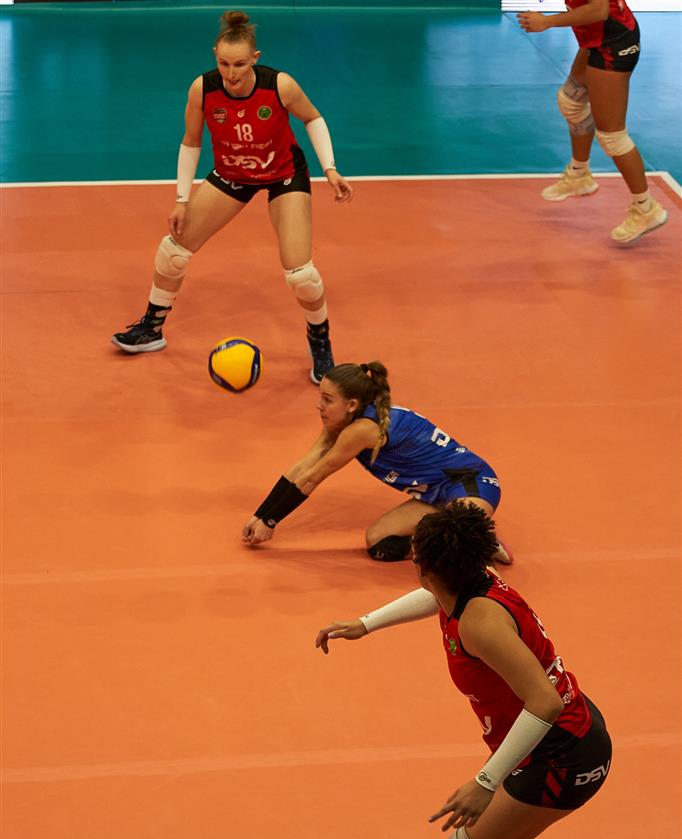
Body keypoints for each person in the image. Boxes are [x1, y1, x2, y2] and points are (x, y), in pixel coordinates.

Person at [315, 502, 620, 839]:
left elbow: (543, 702)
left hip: (559, 758)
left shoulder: (481, 622)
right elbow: (436, 597)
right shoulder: (471, 581)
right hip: (557, 740)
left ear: (425, 566)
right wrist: (366, 623)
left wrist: (485, 781)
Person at [111, 10, 353, 384]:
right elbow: (191, 142)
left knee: (301, 275)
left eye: (239, 64)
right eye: (223, 63)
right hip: (233, 174)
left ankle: (320, 343)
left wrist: (330, 168)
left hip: (283, 174)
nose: (231, 72)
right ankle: (151, 329)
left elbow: (313, 118)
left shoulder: (279, 85)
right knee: (172, 251)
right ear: (215, 56)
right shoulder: (202, 89)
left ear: (255, 58)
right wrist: (181, 199)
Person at [242, 360, 512, 564]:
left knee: (460, 544)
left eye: (327, 400)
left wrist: (272, 521)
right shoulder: (342, 423)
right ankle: (456, 537)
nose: (319, 406)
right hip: (433, 495)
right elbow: (303, 467)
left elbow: (313, 477)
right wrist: (262, 515)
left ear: (351, 405)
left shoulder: (362, 430)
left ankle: (480, 540)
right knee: (380, 543)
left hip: (470, 484)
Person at [517, 0, 668, 245]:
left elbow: (599, 10)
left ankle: (646, 209)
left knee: (612, 137)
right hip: (595, 40)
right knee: (571, 101)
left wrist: (547, 22)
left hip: (613, 45)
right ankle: (579, 177)